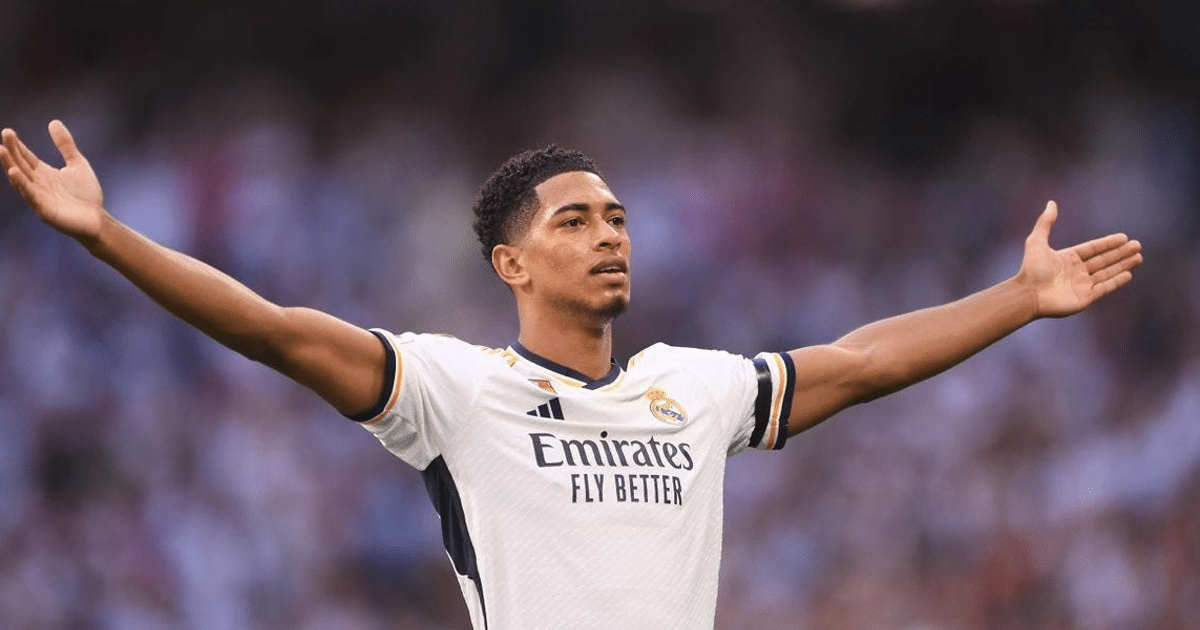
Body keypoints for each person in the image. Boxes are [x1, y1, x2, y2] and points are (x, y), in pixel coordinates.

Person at [2, 120, 1143, 630]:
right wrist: (110, 236)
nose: (611, 234)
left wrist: (1019, 300)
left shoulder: (691, 388)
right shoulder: (453, 390)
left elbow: (856, 362)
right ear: (511, 261)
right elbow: (275, 332)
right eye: (577, 219)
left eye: (620, 217)